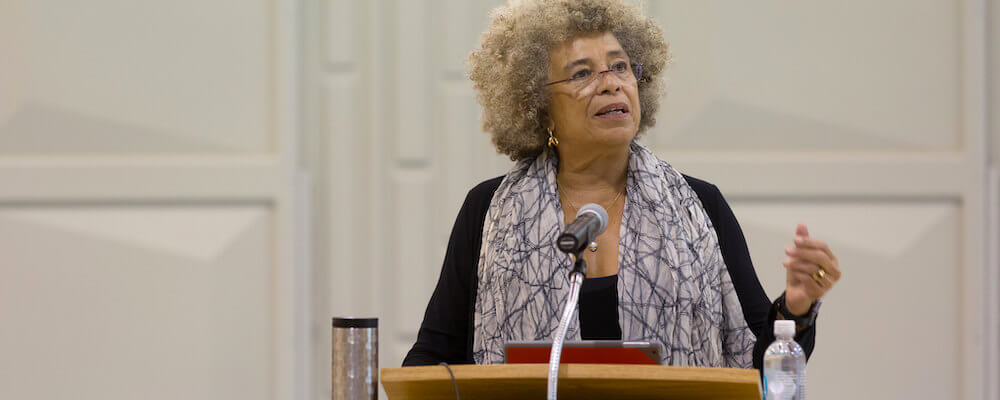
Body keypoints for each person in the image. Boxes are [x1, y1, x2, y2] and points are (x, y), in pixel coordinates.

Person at [403, 0, 841, 369]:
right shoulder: (488, 209)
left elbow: (762, 366)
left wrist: (798, 305)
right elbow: (431, 359)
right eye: (581, 74)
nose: (610, 82)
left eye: (620, 67)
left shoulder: (700, 205)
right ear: (537, 105)